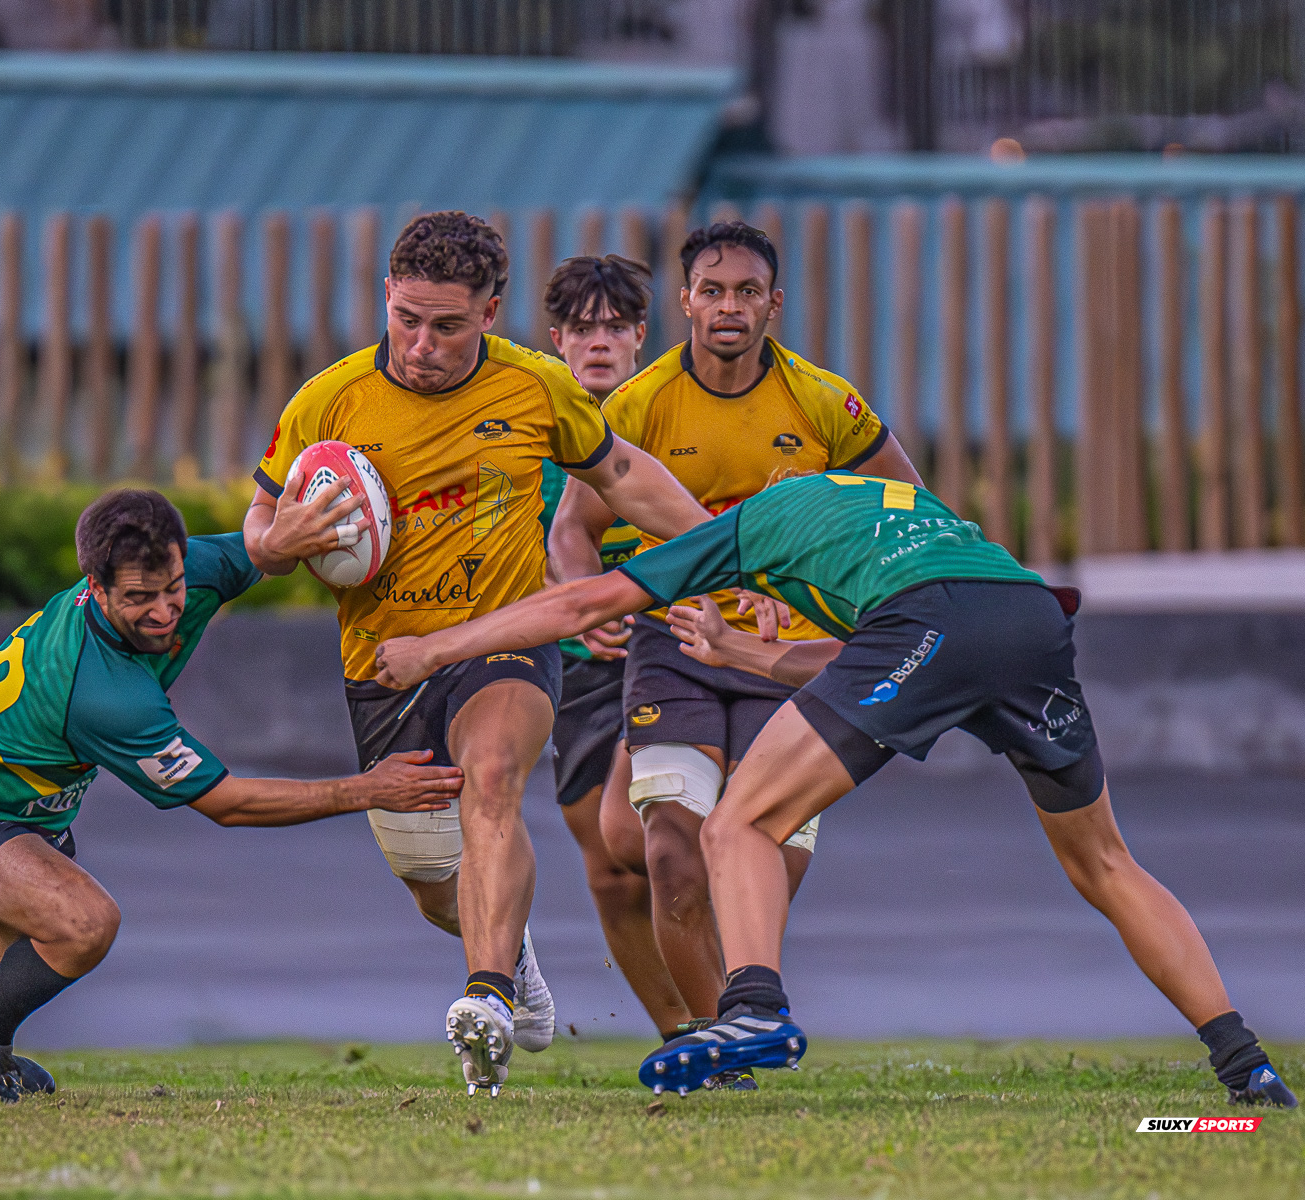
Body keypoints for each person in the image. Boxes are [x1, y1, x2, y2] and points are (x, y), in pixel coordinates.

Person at [372, 471, 1298, 1109]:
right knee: (1103, 860)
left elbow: (583, 606)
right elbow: (886, 645)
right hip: (1025, 618)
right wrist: (748, 653)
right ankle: (1246, 1068)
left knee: (737, 820)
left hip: (933, 623)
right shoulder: (885, 508)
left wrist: (435, 649)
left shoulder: (752, 522)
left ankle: (754, 1013)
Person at [243, 212, 708, 1095]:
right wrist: (276, 541)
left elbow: (624, 476)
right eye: (407, 319)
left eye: (448, 325)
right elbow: (261, 522)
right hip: (384, 665)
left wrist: (738, 549)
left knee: (493, 777)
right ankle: (513, 957)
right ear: (387, 295)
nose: (421, 345)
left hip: (507, 642)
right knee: (429, 878)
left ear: (490, 311)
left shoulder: (537, 387)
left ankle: (486, 1000)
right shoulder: (328, 400)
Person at [0, 489, 464, 1103]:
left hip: (9, 795)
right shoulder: (105, 695)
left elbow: (263, 551)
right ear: (97, 588)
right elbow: (228, 803)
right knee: (82, 923)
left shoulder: (189, 565)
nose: (163, 612)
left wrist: (300, 532)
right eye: (138, 599)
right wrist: (369, 790)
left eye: (172, 589)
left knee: (14, 932)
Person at [548, 220, 924, 1089]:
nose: (728, 307)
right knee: (668, 850)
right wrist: (588, 610)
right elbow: (576, 528)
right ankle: (724, 1049)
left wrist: (823, 580)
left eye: (746, 292)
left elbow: (906, 511)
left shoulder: (826, 403)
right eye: (711, 291)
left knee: (756, 861)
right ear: (685, 301)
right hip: (672, 645)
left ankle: (732, 1018)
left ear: (772, 304)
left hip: (786, 659)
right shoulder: (638, 405)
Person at [540, 254, 690, 1041]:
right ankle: (681, 1032)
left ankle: (737, 1002)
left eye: (614, 327)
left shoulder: (666, 414)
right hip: (575, 669)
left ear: (640, 336)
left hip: (674, 650)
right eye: (581, 329)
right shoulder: (530, 433)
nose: (598, 343)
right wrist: (574, 604)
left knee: (645, 837)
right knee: (607, 867)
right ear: (557, 341)